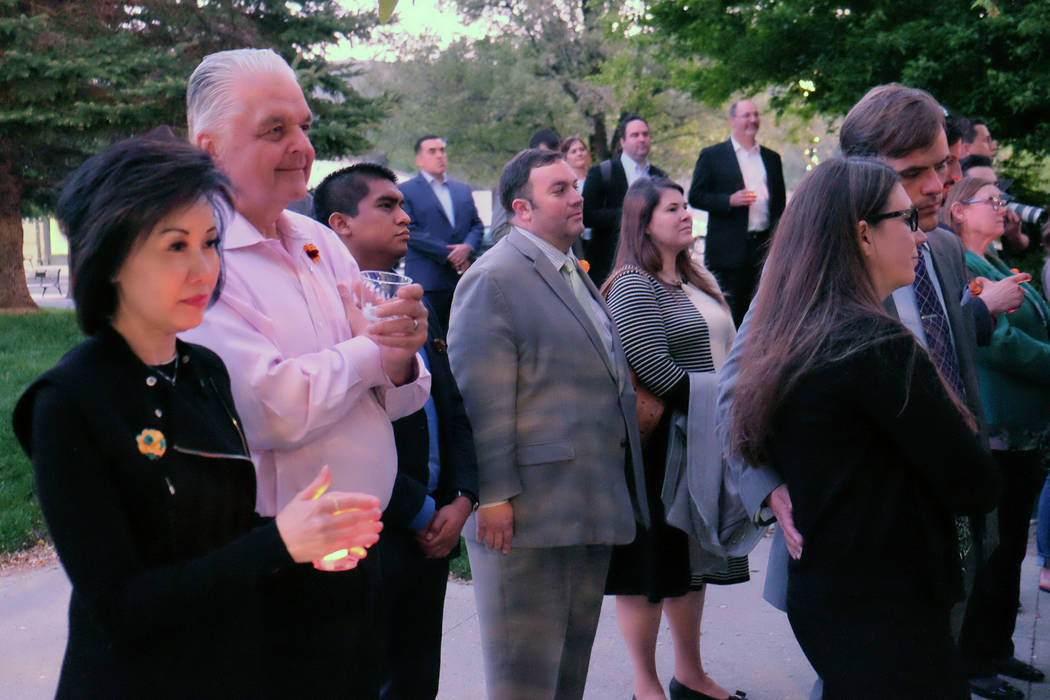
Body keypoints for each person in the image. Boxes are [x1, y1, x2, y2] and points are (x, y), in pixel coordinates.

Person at [11, 135, 384, 699]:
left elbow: (216, 535)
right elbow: (123, 606)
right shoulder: (68, 400)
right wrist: (279, 544)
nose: (203, 269)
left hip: (232, 670)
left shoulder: (203, 369)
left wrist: (308, 543)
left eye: (210, 243)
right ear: (109, 256)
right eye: (174, 246)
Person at [719, 82, 1025, 700]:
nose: (939, 186)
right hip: (864, 568)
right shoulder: (806, 280)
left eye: (944, 164)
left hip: (948, 545)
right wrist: (766, 488)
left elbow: (942, 357)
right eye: (914, 174)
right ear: (862, 181)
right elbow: (734, 392)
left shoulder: (939, 249)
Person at [180, 48, 431, 697]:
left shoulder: (319, 242)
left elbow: (398, 398)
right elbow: (271, 407)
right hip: (273, 565)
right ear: (207, 146)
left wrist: (399, 354)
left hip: (360, 550)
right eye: (275, 129)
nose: (302, 146)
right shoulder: (197, 258)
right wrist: (370, 355)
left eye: (304, 125)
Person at [447, 148, 648, 699]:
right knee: (524, 681)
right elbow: (479, 399)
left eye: (575, 185)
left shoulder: (569, 270)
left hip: (584, 503)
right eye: (559, 189)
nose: (577, 195)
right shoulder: (494, 277)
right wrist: (492, 497)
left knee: (566, 679)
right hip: (523, 517)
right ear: (521, 209)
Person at [313, 162, 480, 700]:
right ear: (341, 223)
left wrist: (463, 498)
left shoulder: (416, 299)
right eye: (387, 206)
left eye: (402, 205)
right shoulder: (324, 313)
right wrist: (427, 512)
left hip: (434, 529)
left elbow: (451, 407)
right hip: (376, 531)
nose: (405, 216)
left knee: (416, 679)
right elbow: (343, 435)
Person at [601, 177, 745, 700]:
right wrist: (728, 404)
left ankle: (690, 674)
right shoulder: (633, 283)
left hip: (704, 436)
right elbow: (654, 370)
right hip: (661, 445)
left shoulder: (694, 278)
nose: (686, 215)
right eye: (672, 208)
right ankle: (645, 684)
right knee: (651, 569)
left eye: (687, 206)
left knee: (691, 564)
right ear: (644, 222)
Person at [943, 177, 1050, 689]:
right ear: (959, 211)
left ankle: (998, 647)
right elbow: (998, 341)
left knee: (1010, 548)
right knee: (989, 548)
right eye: (993, 201)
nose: (1003, 209)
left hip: (1025, 428)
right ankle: (975, 659)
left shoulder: (1001, 263)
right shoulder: (962, 266)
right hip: (995, 426)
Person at [687, 99, 786, 326]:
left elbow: (779, 206)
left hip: (763, 249)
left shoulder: (772, 159)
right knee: (729, 315)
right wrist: (728, 200)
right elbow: (695, 196)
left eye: (755, 114)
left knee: (763, 314)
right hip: (727, 251)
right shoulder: (713, 156)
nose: (752, 120)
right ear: (732, 120)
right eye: (746, 115)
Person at [399, 135, 486, 329]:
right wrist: (450, 254)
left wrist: (467, 247)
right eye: (432, 151)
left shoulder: (462, 189)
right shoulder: (406, 190)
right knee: (432, 342)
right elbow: (409, 230)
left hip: (462, 281)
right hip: (428, 282)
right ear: (419, 160)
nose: (440, 156)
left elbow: (477, 225)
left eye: (442, 150)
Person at [583, 114, 668, 286]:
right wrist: (631, 215)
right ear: (622, 142)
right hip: (609, 266)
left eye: (645, 134)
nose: (642, 139)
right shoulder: (602, 173)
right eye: (635, 135)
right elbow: (587, 215)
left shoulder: (659, 176)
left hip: (652, 263)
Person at [489, 128, 562, 246]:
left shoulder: (566, 183)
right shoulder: (514, 183)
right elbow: (498, 230)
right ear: (532, 152)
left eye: (555, 156)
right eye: (544, 155)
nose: (550, 161)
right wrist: (541, 237)